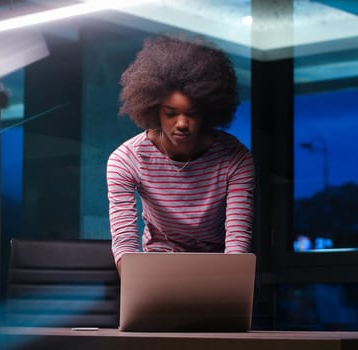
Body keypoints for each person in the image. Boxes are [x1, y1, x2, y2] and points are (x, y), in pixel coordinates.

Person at [107, 34, 255, 268]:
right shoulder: (126, 159)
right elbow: (124, 241)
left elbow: (237, 241)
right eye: (171, 113)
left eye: (192, 112)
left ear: (207, 110)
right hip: (158, 266)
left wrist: (231, 282)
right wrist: (135, 285)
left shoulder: (235, 158)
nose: (182, 123)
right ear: (154, 110)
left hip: (218, 268)